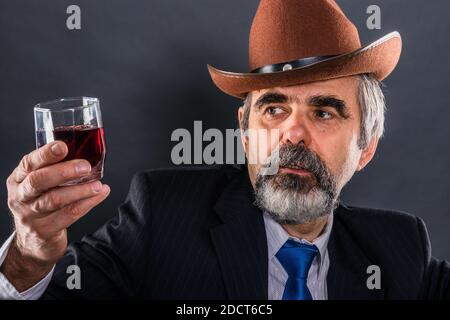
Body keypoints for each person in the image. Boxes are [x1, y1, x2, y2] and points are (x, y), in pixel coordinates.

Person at [0, 0, 449, 300]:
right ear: (244, 131)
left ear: (366, 146)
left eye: (324, 113)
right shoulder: (161, 216)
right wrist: (31, 252)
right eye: (274, 109)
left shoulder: (400, 249)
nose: (293, 134)